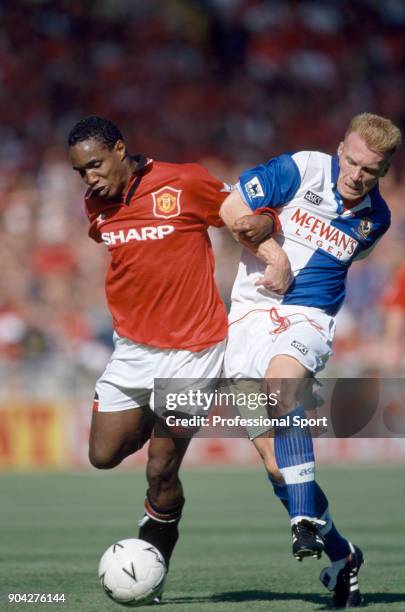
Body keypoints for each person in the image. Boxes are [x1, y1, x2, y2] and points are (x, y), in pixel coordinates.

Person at [67, 116, 289, 590]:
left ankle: (155, 559)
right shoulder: (95, 205)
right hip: (130, 350)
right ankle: (159, 418)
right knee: (102, 455)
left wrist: (271, 241)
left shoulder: (184, 181)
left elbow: (245, 209)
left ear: (120, 149)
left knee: (161, 469)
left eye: (95, 164)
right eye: (81, 171)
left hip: (194, 353)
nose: (89, 178)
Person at [220, 113, 402, 608]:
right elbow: (231, 206)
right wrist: (274, 253)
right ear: (340, 147)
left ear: (383, 171)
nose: (356, 175)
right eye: (352, 160)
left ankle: (302, 522)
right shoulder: (301, 169)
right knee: (278, 466)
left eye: (370, 170)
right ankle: (343, 555)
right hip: (246, 318)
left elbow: (345, 261)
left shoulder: (376, 220)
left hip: (307, 318)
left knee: (284, 384)